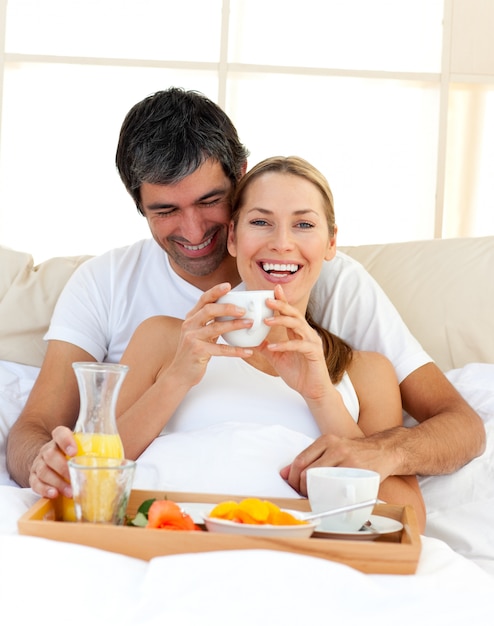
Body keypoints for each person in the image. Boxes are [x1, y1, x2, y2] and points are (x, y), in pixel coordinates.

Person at [6, 87, 484, 500]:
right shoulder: (108, 287)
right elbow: (39, 431)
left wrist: (377, 450)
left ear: (240, 175)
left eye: (210, 201)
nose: (193, 230)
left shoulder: (327, 280)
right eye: (165, 210)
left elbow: (454, 428)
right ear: (140, 205)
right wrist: (46, 466)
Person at [114, 155, 426, 530]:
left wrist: (320, 396)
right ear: (232, 237)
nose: (281, 243)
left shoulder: (367, 373)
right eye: (261, 222)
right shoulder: (164, 339)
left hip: (299, 554)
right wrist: (177, 379)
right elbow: (91, 475)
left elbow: (408, 520)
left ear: (330, 243)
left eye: (304, 224)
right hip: (176, 541)